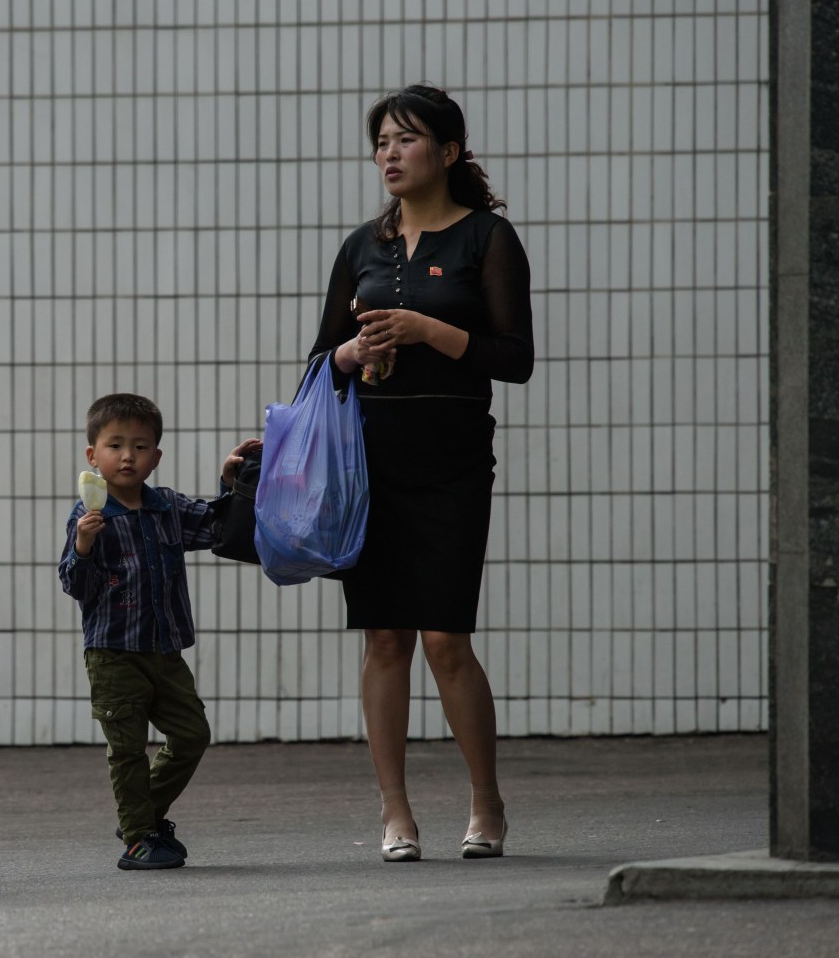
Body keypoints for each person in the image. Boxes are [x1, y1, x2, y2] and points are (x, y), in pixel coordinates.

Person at [305, 85, 533, 862]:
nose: (389, 154)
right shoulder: (360, 246)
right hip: (371, 465)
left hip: (455, 463)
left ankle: (485, 800)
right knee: (385, 638)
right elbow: (319, 360)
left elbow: (516, 358)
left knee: (445, 637)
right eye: (381, 142)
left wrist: (428, 328)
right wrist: (353, 353)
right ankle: (395, 811)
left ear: (449, 151)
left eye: (406, 140)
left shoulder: (487, 239)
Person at [59, 393, 260, 871]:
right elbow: (75, 585)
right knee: (127, 750)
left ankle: (141, 816)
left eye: (141, 446)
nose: (128, 456)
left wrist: (230, 483)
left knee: (192, 734)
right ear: (93, 456)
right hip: (112, 652)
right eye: (115, 446)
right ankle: (139, 837)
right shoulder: (89, 515)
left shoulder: (167, 506)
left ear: (156, 456)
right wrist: (84, 545)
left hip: (165, 650)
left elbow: (215, 527)